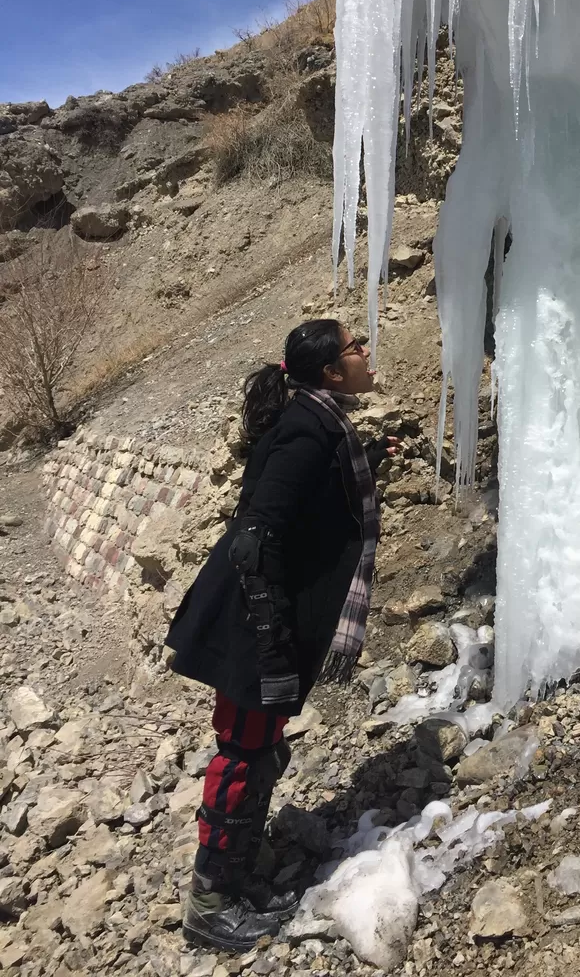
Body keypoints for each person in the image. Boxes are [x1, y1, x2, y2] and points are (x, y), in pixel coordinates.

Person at [165, 319, 394, 952]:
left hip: (259, 614)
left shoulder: (316, 424)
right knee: (243, 749)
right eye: (355, 347)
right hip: (255, 617)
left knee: (256, 744)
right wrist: (270, 639)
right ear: (328, 372)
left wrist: (361, 469)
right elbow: (257, 533)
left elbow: (294, 508)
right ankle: (210, 904)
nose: (365, 353)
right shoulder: (306, 430)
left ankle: (234, 879)